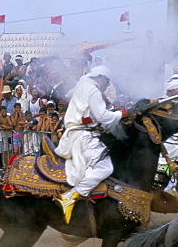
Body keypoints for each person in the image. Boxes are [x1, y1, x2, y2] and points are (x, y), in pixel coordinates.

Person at [54, 66, 131, 222]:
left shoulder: (82, 85)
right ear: (101, 77)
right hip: (83, 135)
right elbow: (103, 116)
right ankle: (70, 196)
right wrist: (123, 113)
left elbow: (86, 112)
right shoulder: (93, 90)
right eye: (107, 81)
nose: (107, 84)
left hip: (78, 133)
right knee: (105, 167)